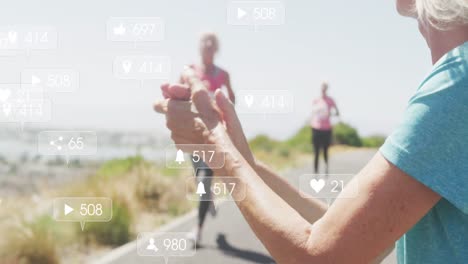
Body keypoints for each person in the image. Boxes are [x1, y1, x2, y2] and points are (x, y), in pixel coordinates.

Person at [155, 0, 468, 263]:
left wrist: (213, 143)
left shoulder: (457, 83)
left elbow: (319, 256)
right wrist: (238, 158)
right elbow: (350, 239)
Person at [179, 32, 235, 245]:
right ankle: (209, 196)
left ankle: (198, 230)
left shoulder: (223, 75)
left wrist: (221, 102)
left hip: (213, 133)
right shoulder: (189, 71)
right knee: (198, 178)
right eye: (205, 45)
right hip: (193, 132)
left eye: (212, 46)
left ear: (216, 50)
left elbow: (233, 98)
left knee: (204, 178)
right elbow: (178, 95)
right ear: (200, 48)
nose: (208, 48)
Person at [311, 82, 339, 174]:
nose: (323, 89)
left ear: (327, 89)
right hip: (316, 128)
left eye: (325, 88)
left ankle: (326, 169)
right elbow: (313, 113)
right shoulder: (316, 100)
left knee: (325, 150)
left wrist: (329, 114)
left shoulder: (330, 100)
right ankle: (315, 172)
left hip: (326, 129)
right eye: (322, 88)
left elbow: (337, 113)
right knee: (316, 151)